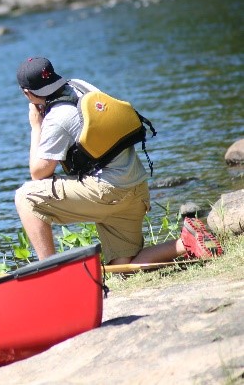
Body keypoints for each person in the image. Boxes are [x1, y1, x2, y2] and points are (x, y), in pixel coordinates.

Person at [14, 57, 222, 266]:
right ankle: (186, 241)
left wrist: (36, 126)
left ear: (27, 93)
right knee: (122, 267)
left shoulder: (56, 117)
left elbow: (38, 173)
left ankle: (50, 272)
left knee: (25, 196)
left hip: (109, 193)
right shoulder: (80, 86)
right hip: (135, 187)